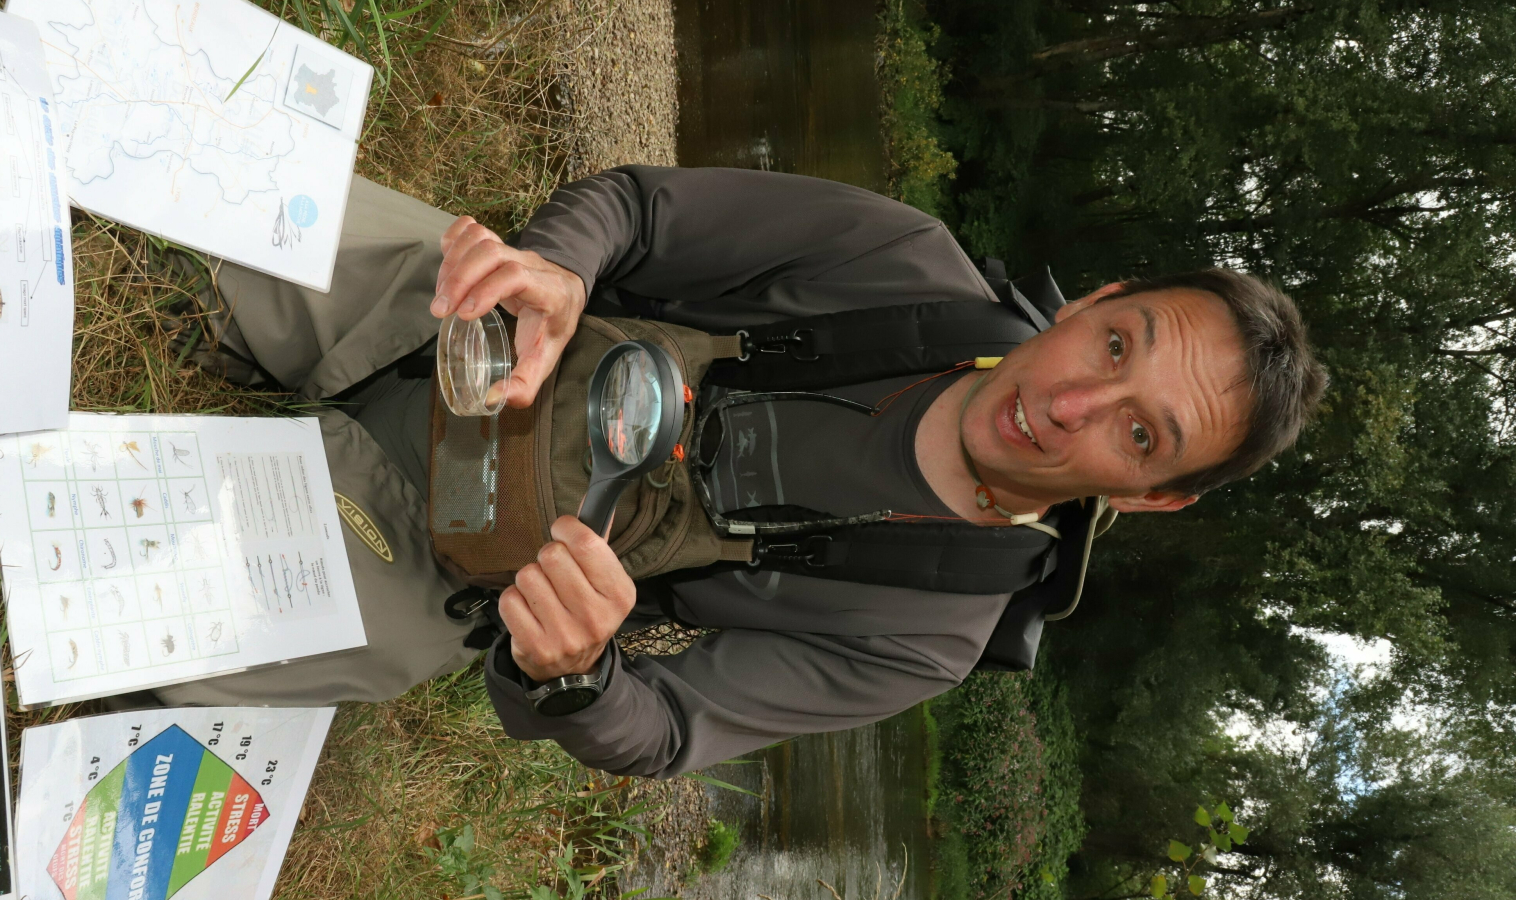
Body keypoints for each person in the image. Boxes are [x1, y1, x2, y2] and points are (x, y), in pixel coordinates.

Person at [153, 166, 1326, 779]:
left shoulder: (932, 633)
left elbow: (664, 730)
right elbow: (636, 211)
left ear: (1148, 499)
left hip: (442, 553)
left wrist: (570, 672)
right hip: (461, 320)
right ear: (1102, 302)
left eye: (1139, 435)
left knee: (96, 599)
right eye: (1113, 348)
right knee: (172, 199)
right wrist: (556, 271)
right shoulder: (903, 260)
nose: (1066, 404)